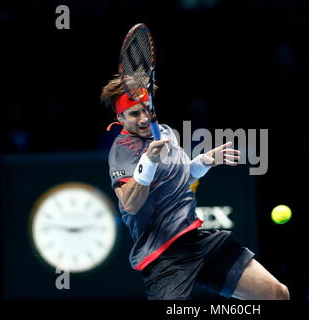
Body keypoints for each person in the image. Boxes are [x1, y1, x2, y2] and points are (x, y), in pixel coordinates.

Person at [100, 75, 290, 300]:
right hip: (163, 257)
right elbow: (130, 205)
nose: (143, 119)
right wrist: (148, 162)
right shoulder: (121, 152)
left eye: (147, 110)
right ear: (119, 117)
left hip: (196, 241)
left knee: (276, 294)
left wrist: (204, 161)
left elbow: (178, 180)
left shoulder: (165, 132)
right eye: (134, 113)